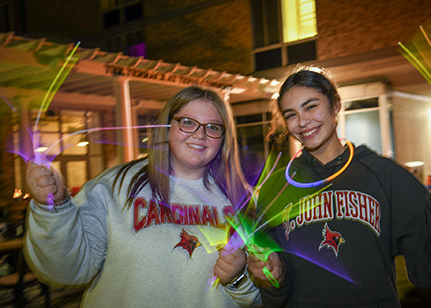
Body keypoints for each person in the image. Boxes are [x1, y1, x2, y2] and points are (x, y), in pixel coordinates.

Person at [247, 67, 431, 307]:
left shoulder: (385, 175)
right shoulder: (275, 188)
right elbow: (274, 292)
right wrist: (271, 277)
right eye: (291, 114)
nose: (302, 122)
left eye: (311, 106)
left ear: (335, 105)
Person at [24, 86, 262, 307]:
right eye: (188, 123)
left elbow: (263, 295)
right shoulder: (116, 186)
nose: (200, 135)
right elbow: (64, 271)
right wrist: (56, 207)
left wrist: (238, 279)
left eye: (212, 127)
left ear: (223, 137)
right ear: (167, 128)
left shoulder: (243, 199)